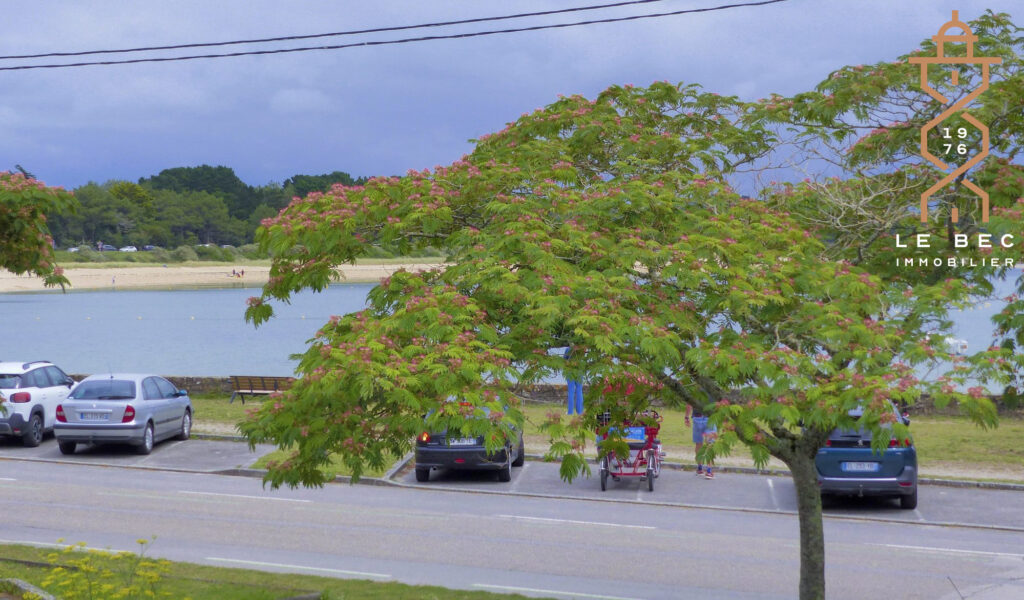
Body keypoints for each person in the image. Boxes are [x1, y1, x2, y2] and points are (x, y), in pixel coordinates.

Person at [685, 403, 717, 479]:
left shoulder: (695, 390)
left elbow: (689, 403)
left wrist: (686, 417)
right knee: (710, 444)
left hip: (697, 418)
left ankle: (700, 468)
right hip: (710, 418)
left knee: (698, 444)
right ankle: (709, 471)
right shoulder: (714, 390)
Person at [564, 347, 583, 415]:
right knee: (579, 391)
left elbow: (564, 360)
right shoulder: (581, 349)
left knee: (571, 391)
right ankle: (580, 411)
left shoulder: (567, 349)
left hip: (570, 371)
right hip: (579, 371)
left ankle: (570, 412)